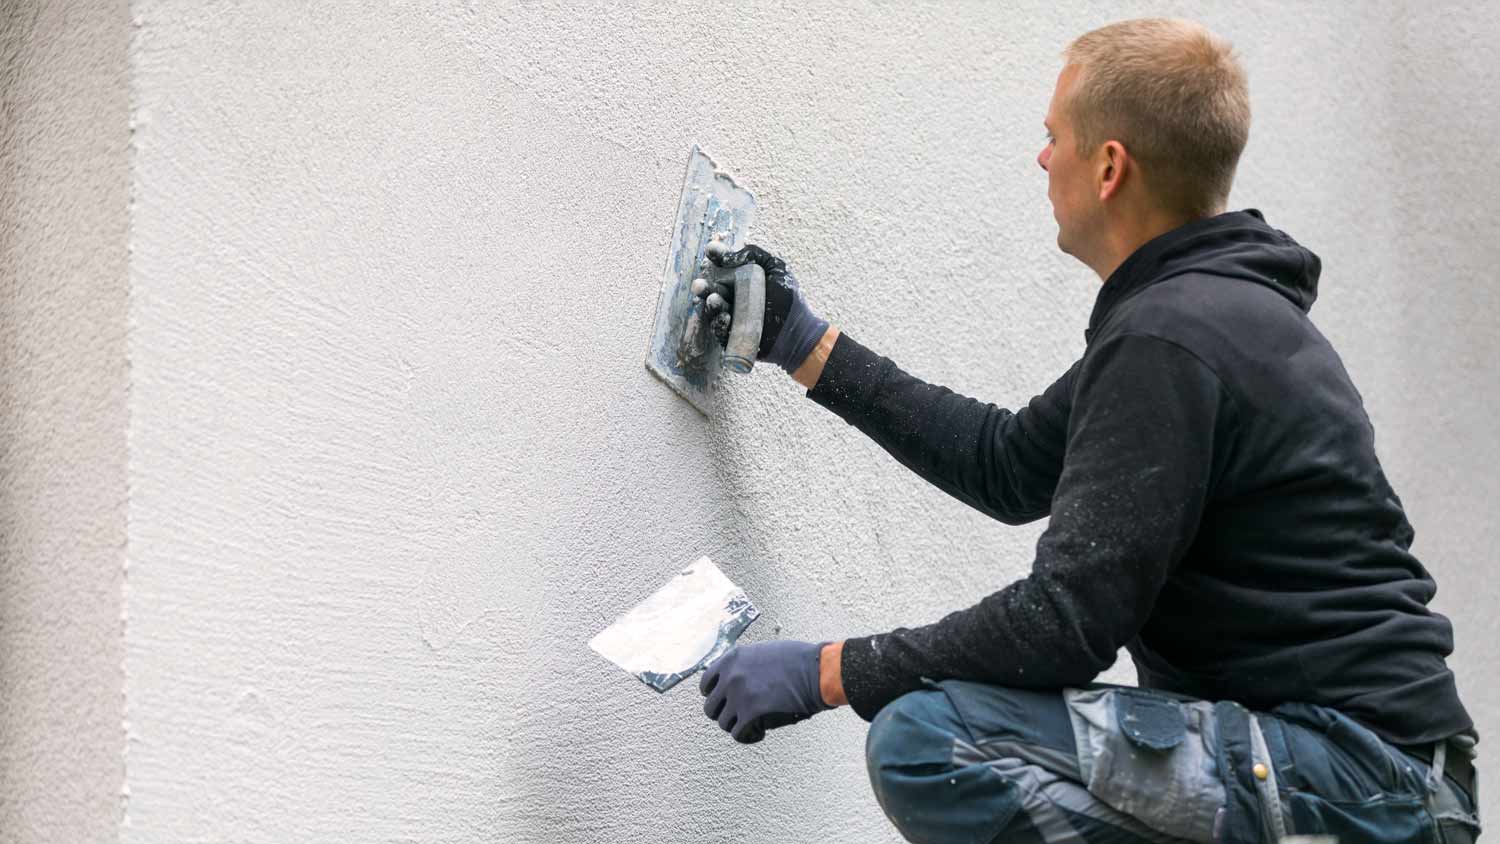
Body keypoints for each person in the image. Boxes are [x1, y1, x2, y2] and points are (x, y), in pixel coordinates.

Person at [694, 17, 1481, 844]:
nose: (1041, 158)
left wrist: (830, 672)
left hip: (1353, 777)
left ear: (1109, 166)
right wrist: (804, 344)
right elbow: (1004, 466)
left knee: (932, 743)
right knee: (944, 732)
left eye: (1053, 136)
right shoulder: (1205, 318)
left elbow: (1064, 625)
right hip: (1372, 779)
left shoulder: (1173, 338)